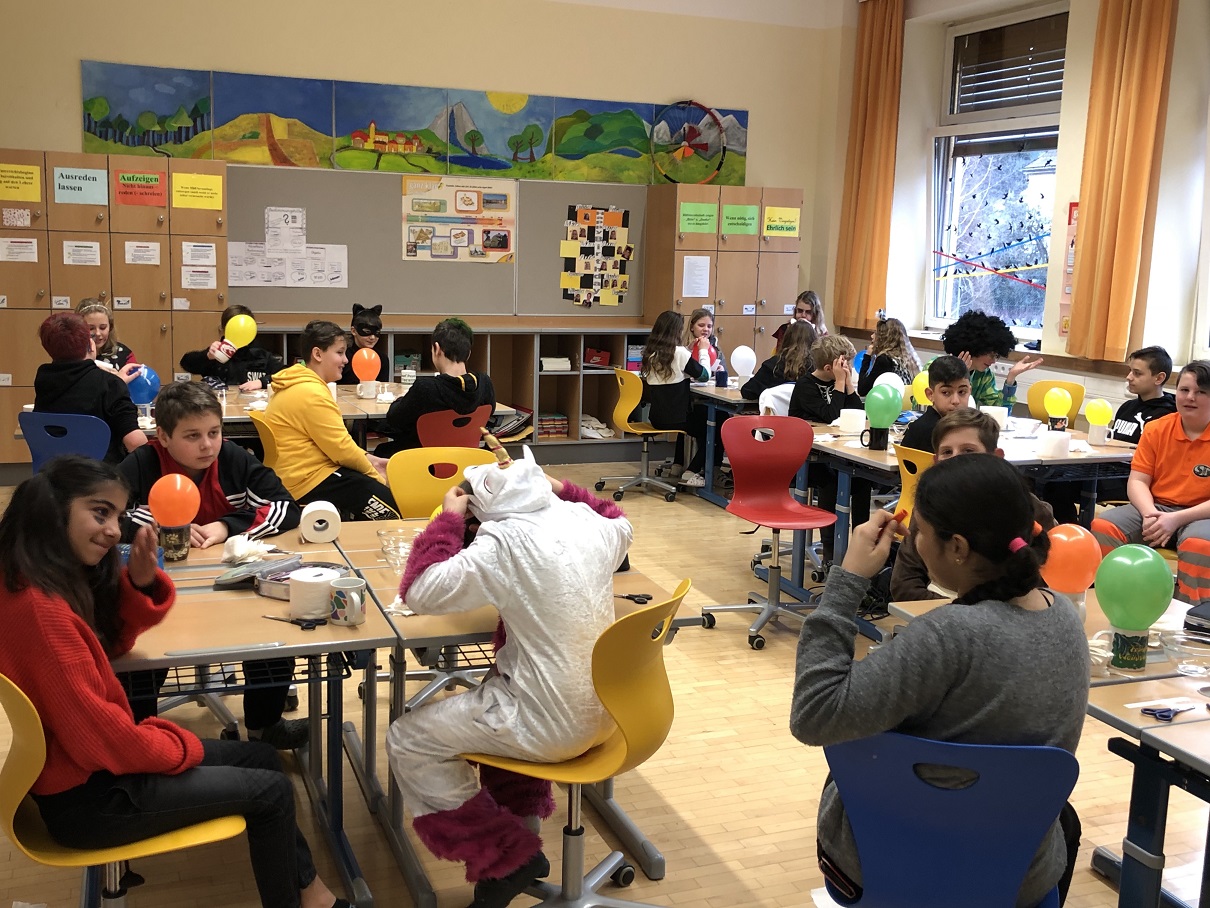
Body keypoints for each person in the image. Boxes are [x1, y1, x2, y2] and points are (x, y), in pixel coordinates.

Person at [0, 456, 353, 908]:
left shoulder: (31, 578)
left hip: (89, 775)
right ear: (53, 507)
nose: (113, 531)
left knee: (263, 757)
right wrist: (181, 747)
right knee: (272, 791)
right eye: (100, 512)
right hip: (92, 801)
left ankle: (312, 895)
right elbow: (104, 742)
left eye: (117, 517)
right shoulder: (41, 612)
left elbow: (106, 647)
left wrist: (140, 583)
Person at [792, 453, 1088, 907]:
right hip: (1017, 875)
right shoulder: (1065, 617)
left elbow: (813, 714)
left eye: (920, 533)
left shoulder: (948, 636)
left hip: (895, 865)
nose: (913, 542)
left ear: (958, 548)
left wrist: (847, 580)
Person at [385, 451, 632, 908]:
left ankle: (505, 857)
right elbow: (619, 519)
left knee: (408, 739)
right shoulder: (589, 522)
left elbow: (420, 592)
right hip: (613, 711)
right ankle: (519, 825)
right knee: (496, 685)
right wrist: (562, 488)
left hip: (550, 724)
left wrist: (447, 521)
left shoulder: (502, 542)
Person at [118, 381, 306, 748]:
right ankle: (140, 735)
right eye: (193, 436)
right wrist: (155, 528)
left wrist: (227, 526)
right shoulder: (141, 464)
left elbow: (286, 507)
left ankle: (264, 725)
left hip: (227, 583)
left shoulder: (233, 459)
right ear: (163, 436)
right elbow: (105, 519)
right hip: (158, 586)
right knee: (142, 652)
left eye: (214, 432)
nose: (207, 445)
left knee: (271, 631)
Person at [891, 409, 1056, 602]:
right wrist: (958, 611)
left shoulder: (1026, 509)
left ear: (995, 456)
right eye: (947, 452)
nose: (956, 460)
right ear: (936, 461)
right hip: (945, 612)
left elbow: (1043, 584)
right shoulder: (929, 509)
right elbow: (904, 584)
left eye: (969, 451)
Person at [1092, 361, 1210, 609]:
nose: (1190, 397)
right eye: (1184, 390)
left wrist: (1175, 520)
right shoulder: (1157, 429)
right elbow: (1137, 481)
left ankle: (1192, 615)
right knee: (1104, 526)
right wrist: (1149, 514)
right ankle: (1117, 604)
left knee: (1199, 545)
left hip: (1201, 515)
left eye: (1201, 392)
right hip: (1156, 508)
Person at [265, 320, 400, 520]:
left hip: (300, 474)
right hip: (307, 481)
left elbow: (338, 446)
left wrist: (370, 460)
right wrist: (376, 476)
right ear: (318, 354)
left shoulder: (298, 383)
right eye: (339, 353)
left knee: (368, 487)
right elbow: (342, 450)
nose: (346, 360)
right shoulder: (311, 393)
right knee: (392, 509)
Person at [789, 335, 868, 564]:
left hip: (835, 451)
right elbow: (831, 415)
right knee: (831, 481)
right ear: (829, 368)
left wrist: (849, 385)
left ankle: (862, 544)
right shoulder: (806, 386)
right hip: (806, 458)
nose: (849, 368)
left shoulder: (842, 382)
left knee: (862, 481)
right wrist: (840, 384)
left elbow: (857, 414)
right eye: (845, 364)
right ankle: (830, 550)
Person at [33, 312, 146, 463]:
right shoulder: (109, 384)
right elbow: (135, 442)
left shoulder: (43, 380)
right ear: (90, 345)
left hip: (54, 470)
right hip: (99, 473)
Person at [375, 318, 496, 457]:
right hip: (466, 458)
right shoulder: (485, 383)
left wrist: (400, 400)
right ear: (468, 353)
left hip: (425, 461)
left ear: (437, 349)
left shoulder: (426, 388)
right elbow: (490, 413)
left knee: (382, 450)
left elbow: (394, 419)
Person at [641, 310, 710, 488]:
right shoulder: (679, 353)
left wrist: (688, 351)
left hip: (657, 418)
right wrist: (703, 351)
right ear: (676, 332)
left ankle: (677, 465)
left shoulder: (652, 353)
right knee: (713, 430)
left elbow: (674, 369)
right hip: (677, 419)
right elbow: (704, 376)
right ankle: (691, 472)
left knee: (691, 420)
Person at [940, 310, 1042, 408]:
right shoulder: (938, 368)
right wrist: (959, 376)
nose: (993, 361)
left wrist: (1011, 378)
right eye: (991, 355)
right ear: (976, 348)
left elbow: (999, 409)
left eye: (996, 356)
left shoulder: (984, 375)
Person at [179, 304, 285, 392]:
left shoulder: (261, 355)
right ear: (224, 329)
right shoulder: (216, 353)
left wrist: (262, 382)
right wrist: (206, 356)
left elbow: (286, 374)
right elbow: (186, 363)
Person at [898, 355, 971, 452]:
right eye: (946, 393)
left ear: (969, 391)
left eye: (962, 392)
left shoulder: (964, 427)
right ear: (930, 394)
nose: (955, 401)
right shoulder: (929, 430)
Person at [1109, 345, 1176, 444]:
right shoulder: (1127, 407)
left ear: (1159, 378)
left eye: (1137, 373)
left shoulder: (1167, 416)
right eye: (1130, 371)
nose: (1129, 377)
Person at [741, 319, 816, 402]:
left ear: (786, 338)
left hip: (776, 410)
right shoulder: (818, 368)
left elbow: (747, 391)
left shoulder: (772, 365)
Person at [77, 299, 139, 382]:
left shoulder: (124, 354)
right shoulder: (70, 357)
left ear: (110, 327)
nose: (98, 333)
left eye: (103, 327)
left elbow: (136, 385)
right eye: (91, 328)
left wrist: (119, 381)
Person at [856, 316, 921, 396]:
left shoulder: (884, 360)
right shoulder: (908, 357)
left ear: (883, 338)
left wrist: (867, 356)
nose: (872, 336)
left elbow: (862, 390)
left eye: (876, 333)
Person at [339, 303, 389, 385]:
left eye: (377, 333)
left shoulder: (382, 358)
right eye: (367, 332)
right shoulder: (343, 357)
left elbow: (383, 387)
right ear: (354, 331)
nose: (372, 337)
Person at [685, 308, 724, 373]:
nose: (706, 329)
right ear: (692, 327)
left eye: (709, 326)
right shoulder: (681, 347)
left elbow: (725, 374)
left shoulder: (716, 349)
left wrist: (721, 371)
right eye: (701, 325)